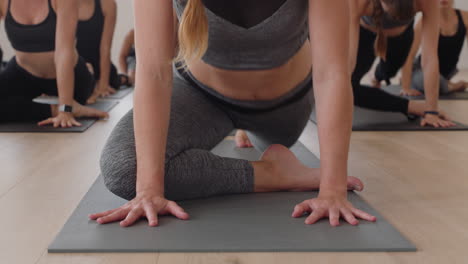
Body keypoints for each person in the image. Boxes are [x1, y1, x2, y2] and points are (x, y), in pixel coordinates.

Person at [90, 0, 378, 228]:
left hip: (284, 109)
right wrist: (149, 190)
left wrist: (332, 188)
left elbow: (331, 75)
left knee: (272, 140)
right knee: (124, 170)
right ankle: (275, 173)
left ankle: (255, 140)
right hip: (203, 97)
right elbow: (153, 73)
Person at [0, 0, 108, 126]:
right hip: (23, 72)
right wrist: (57, 110)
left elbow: (63, 52)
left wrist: (66, 109)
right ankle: (53, 110)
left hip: (69, 76)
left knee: (80, 90)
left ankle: (88, 72)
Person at [349, 0, 454, 128]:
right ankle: (411, 107)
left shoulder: (428, 2)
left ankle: (376, 76)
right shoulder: (359, 2)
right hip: (364, 34)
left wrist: (432, 111)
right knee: (347, 86)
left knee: (388, 73)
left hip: (401, 39)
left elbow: (429, 58)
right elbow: (348, 63)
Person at [401, 0, 468, 95]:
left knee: (437, 82)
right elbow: (408, 55)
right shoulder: (424, 21)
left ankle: (445, 85)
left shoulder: (465, 18)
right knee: (431, 81)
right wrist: (405, 87)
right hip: (421, 71)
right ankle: (451, 86)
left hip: (446, 73)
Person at [76, 0, 120, 104]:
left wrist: (103, 84)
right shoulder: (61, 3)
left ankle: (124, 79)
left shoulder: (108, 5)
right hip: (76, 67)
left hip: (100, 67)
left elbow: (105, 47)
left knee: (115, 80)